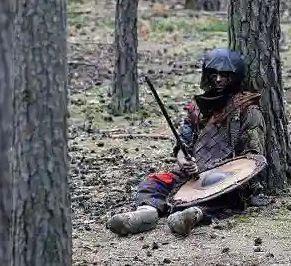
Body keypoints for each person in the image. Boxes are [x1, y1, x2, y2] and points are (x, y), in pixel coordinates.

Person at [108, 47, 266, 237]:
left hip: (227, 177)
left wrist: (225, 173)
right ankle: (145, 214)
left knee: (222, 198)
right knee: (154, 183)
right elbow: (182, 143)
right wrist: (184, 161)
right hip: (194, 175)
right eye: (213, 74)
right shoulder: (197, 108)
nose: (218, 79)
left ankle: (190, 217)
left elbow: (252, 157)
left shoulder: (247, 111)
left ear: (235, 76)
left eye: (224, 75)